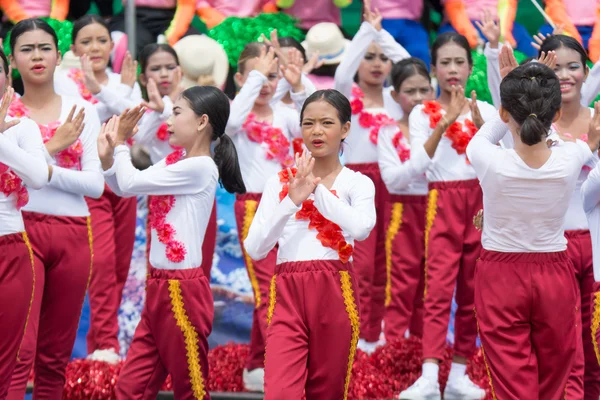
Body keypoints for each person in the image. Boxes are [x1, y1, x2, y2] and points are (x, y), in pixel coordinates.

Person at [97, 86, 246, 399]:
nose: (170, 120)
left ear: (202, 121)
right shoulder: (176, 160)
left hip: (182, 291)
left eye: (177, 112)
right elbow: (124, 187)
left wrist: (121, 144)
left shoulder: (200, 166)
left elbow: (130, 181)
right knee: (131, 387)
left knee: (190, 387)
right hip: (160, 287)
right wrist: (110, 156)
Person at [467, 59, 599, 400]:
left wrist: (514, 83)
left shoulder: (486, 157)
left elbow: (495, 128)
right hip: (554, 274)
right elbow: (553, 132)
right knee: (555, 377)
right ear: (555, 115)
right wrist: (535, 88)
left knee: (513, 384)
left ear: (504, 111)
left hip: (500, 275)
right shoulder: (573, 156)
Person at [244, 89, 376, 399]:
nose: (316, 131)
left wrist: (315, 192)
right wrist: (291, 200)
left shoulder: (357, 182)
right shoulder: (279, 182)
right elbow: (255, 247)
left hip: (335, 289)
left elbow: (361, 228)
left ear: (345, 128)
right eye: (308, 123)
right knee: (279, 392)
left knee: (327, 392)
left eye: (327, 123)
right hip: (287, 291)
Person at [5, 18, 103, 400]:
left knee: (54, 356)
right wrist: (52, 154)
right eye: (26, 49)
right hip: (19, 232)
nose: (37, 56)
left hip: (74, 233)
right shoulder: (5, 114)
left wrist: (41, 170)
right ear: (12, 60)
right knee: (17, 350)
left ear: (60, 56)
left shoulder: (82, 111)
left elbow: (95, 184)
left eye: (44, 48)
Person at [399, 32, 497, 399]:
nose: (453, 69)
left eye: (459, 62)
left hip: (480, 205)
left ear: (471, 68)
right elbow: (415, 167)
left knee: (472, 294)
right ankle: (428, 375)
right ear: (435, 68)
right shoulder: (422, 113)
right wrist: (444, 123)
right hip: (443, 202)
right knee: (438, 290)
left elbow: (501, 159)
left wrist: (480, 126)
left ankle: (458, 374)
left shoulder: (485, 111)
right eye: (445, 63)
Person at [53, 13, 143, 364]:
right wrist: (110, 95)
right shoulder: (64, 80)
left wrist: (106, 91)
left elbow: (135, 121)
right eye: (86, 41)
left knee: (120, 268)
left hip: (123, 182)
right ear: (74, 47)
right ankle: (107, 345)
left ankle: (102, 346)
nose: (94, 48)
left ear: (112, 45)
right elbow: (84, 122)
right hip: (91, 185)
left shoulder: (125, 79)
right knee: (102, 265)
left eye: (101, 40)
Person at [225, 41, 306, 392]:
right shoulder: (237, 117)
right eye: (258, 78)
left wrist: (299, 85)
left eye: (272, 77)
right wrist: (256, 78)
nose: (266, 84)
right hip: (253, 208)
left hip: (288, 205)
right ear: (241, 79)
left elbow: (313, 124)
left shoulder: (285, 115)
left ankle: (257, 364)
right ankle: (279, 367)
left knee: (279, 286)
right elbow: (228, 123)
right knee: (269, 290)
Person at [334, 1, 410, 353]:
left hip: (393, 183)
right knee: (360, 261)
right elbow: (342, 71)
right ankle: (359, 335)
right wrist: (366, 31)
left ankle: (383, 334)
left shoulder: (398, 102)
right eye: (369, 56)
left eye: (383, 57)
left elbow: (411, 65)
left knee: (390, 260)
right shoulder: (347, 98)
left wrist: (381, 35)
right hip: (358, 184)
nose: (378, 63)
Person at [537, 34, 600, 400]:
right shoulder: (535, 126)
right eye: (554, 67)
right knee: (563, 338)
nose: (564, 74)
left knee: (595, 337)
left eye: (572, 66)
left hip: (595, 242)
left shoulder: (598, 119)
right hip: (553, 245)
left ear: (586, 71)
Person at [0, 58, 48, 398]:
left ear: (6, 78)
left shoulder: (23, 128)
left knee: (7, 358)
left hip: (11, 250)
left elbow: (38, 177)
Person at [378, 58, 434, 343]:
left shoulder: (445, 128)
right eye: (410, 91)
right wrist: (422, 160)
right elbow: (393, 181)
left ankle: (424, 355)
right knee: (400, 285)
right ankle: (394, 351)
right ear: (394, 95)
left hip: (439, 208)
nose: (418, 98)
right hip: (403, 210)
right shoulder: (388, 132)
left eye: (424, 90)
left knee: (432, 287)